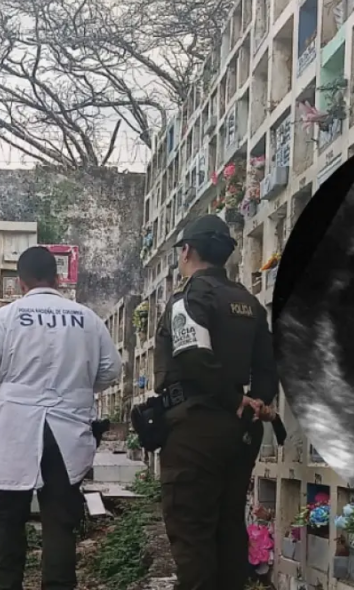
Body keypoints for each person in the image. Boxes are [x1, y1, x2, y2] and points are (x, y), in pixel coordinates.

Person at [0, 246, 122, 589]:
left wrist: (7, 386)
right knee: (59, 521)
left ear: (20, 283)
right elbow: (110, 370)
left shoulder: (4, 317)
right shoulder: (87, 318)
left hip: (14, 427)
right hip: (67, 430)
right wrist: (77, 387)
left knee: (7, 519)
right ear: (57, 278)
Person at [148, 214, 279, 590]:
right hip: (240, 431)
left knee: (191, 530)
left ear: (186, 250)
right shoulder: (249, 302)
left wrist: (231, 397)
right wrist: (256, 401)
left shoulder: (190, 298)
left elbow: (192, 355)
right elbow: (268, 366)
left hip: (196, 429)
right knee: (227, 527)